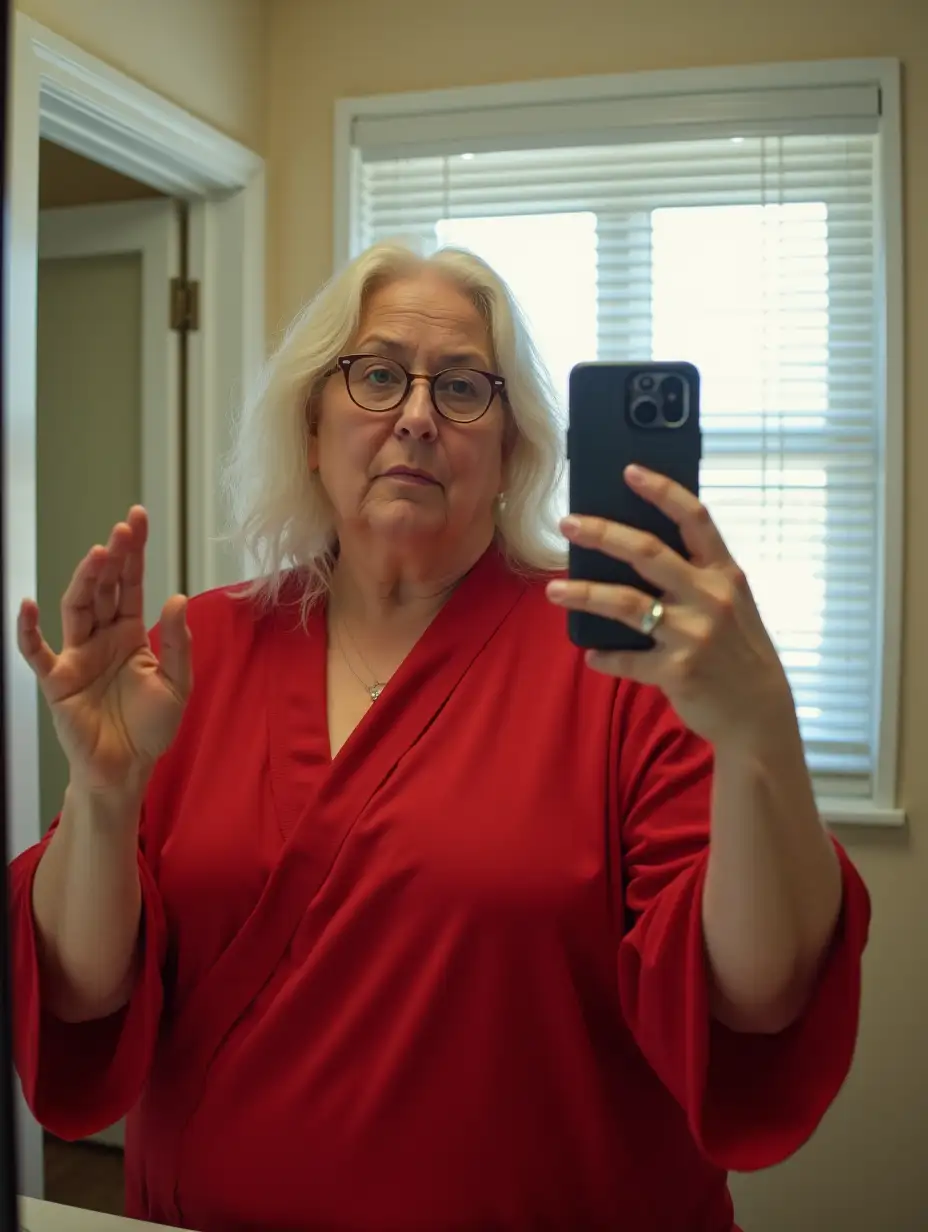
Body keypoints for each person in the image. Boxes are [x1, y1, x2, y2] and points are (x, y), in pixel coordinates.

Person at [8, 241, 869, 1232]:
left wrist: (763, 736)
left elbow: (756, 1000)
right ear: (312, 421)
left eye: (462, 389)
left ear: (510, 450)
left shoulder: (626, 660)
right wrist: (104, 796)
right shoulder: (187, 650)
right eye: (377, 375)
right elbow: (79, 995)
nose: (415, 415)